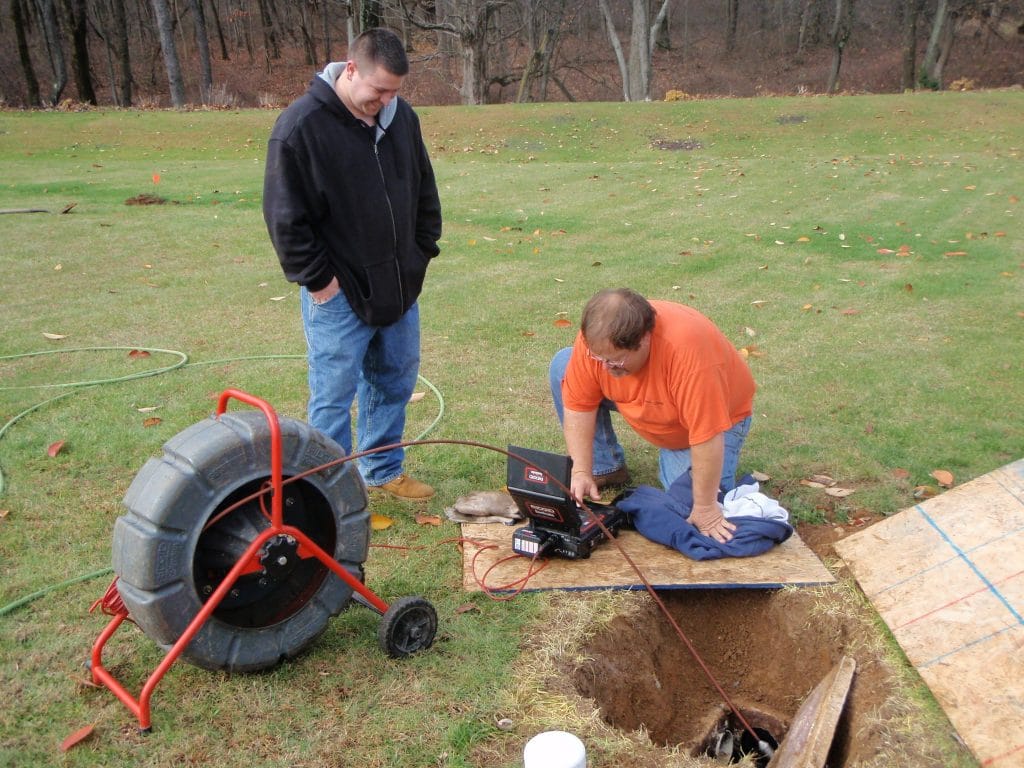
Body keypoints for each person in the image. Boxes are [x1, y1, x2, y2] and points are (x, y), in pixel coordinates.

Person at [263, 28, 442, 500]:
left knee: (394, 381)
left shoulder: (401, 118)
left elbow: (424, 189)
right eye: (377, 90)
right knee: (333, 397)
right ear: (350, 69)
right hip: (339, 294)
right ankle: (332, 494)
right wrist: (321, 282)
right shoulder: (300, 127)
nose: (384, 101)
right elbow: (285, 217)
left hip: (400, 285)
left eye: (395, 92)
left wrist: (420, 253)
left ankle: (383, 469)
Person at [549, 288, 755, 542]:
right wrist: (580, 470)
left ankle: (680, 460)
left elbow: (707, 435)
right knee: (564, 366)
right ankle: (605, 468)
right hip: (656, 402)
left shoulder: (690, 356)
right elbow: (579, 405)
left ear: (645, 339)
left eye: (615, 361)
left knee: (687, 506)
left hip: (715, 421)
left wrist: (705, 509)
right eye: (598, 357)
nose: (603, 368)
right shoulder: (597, 341)